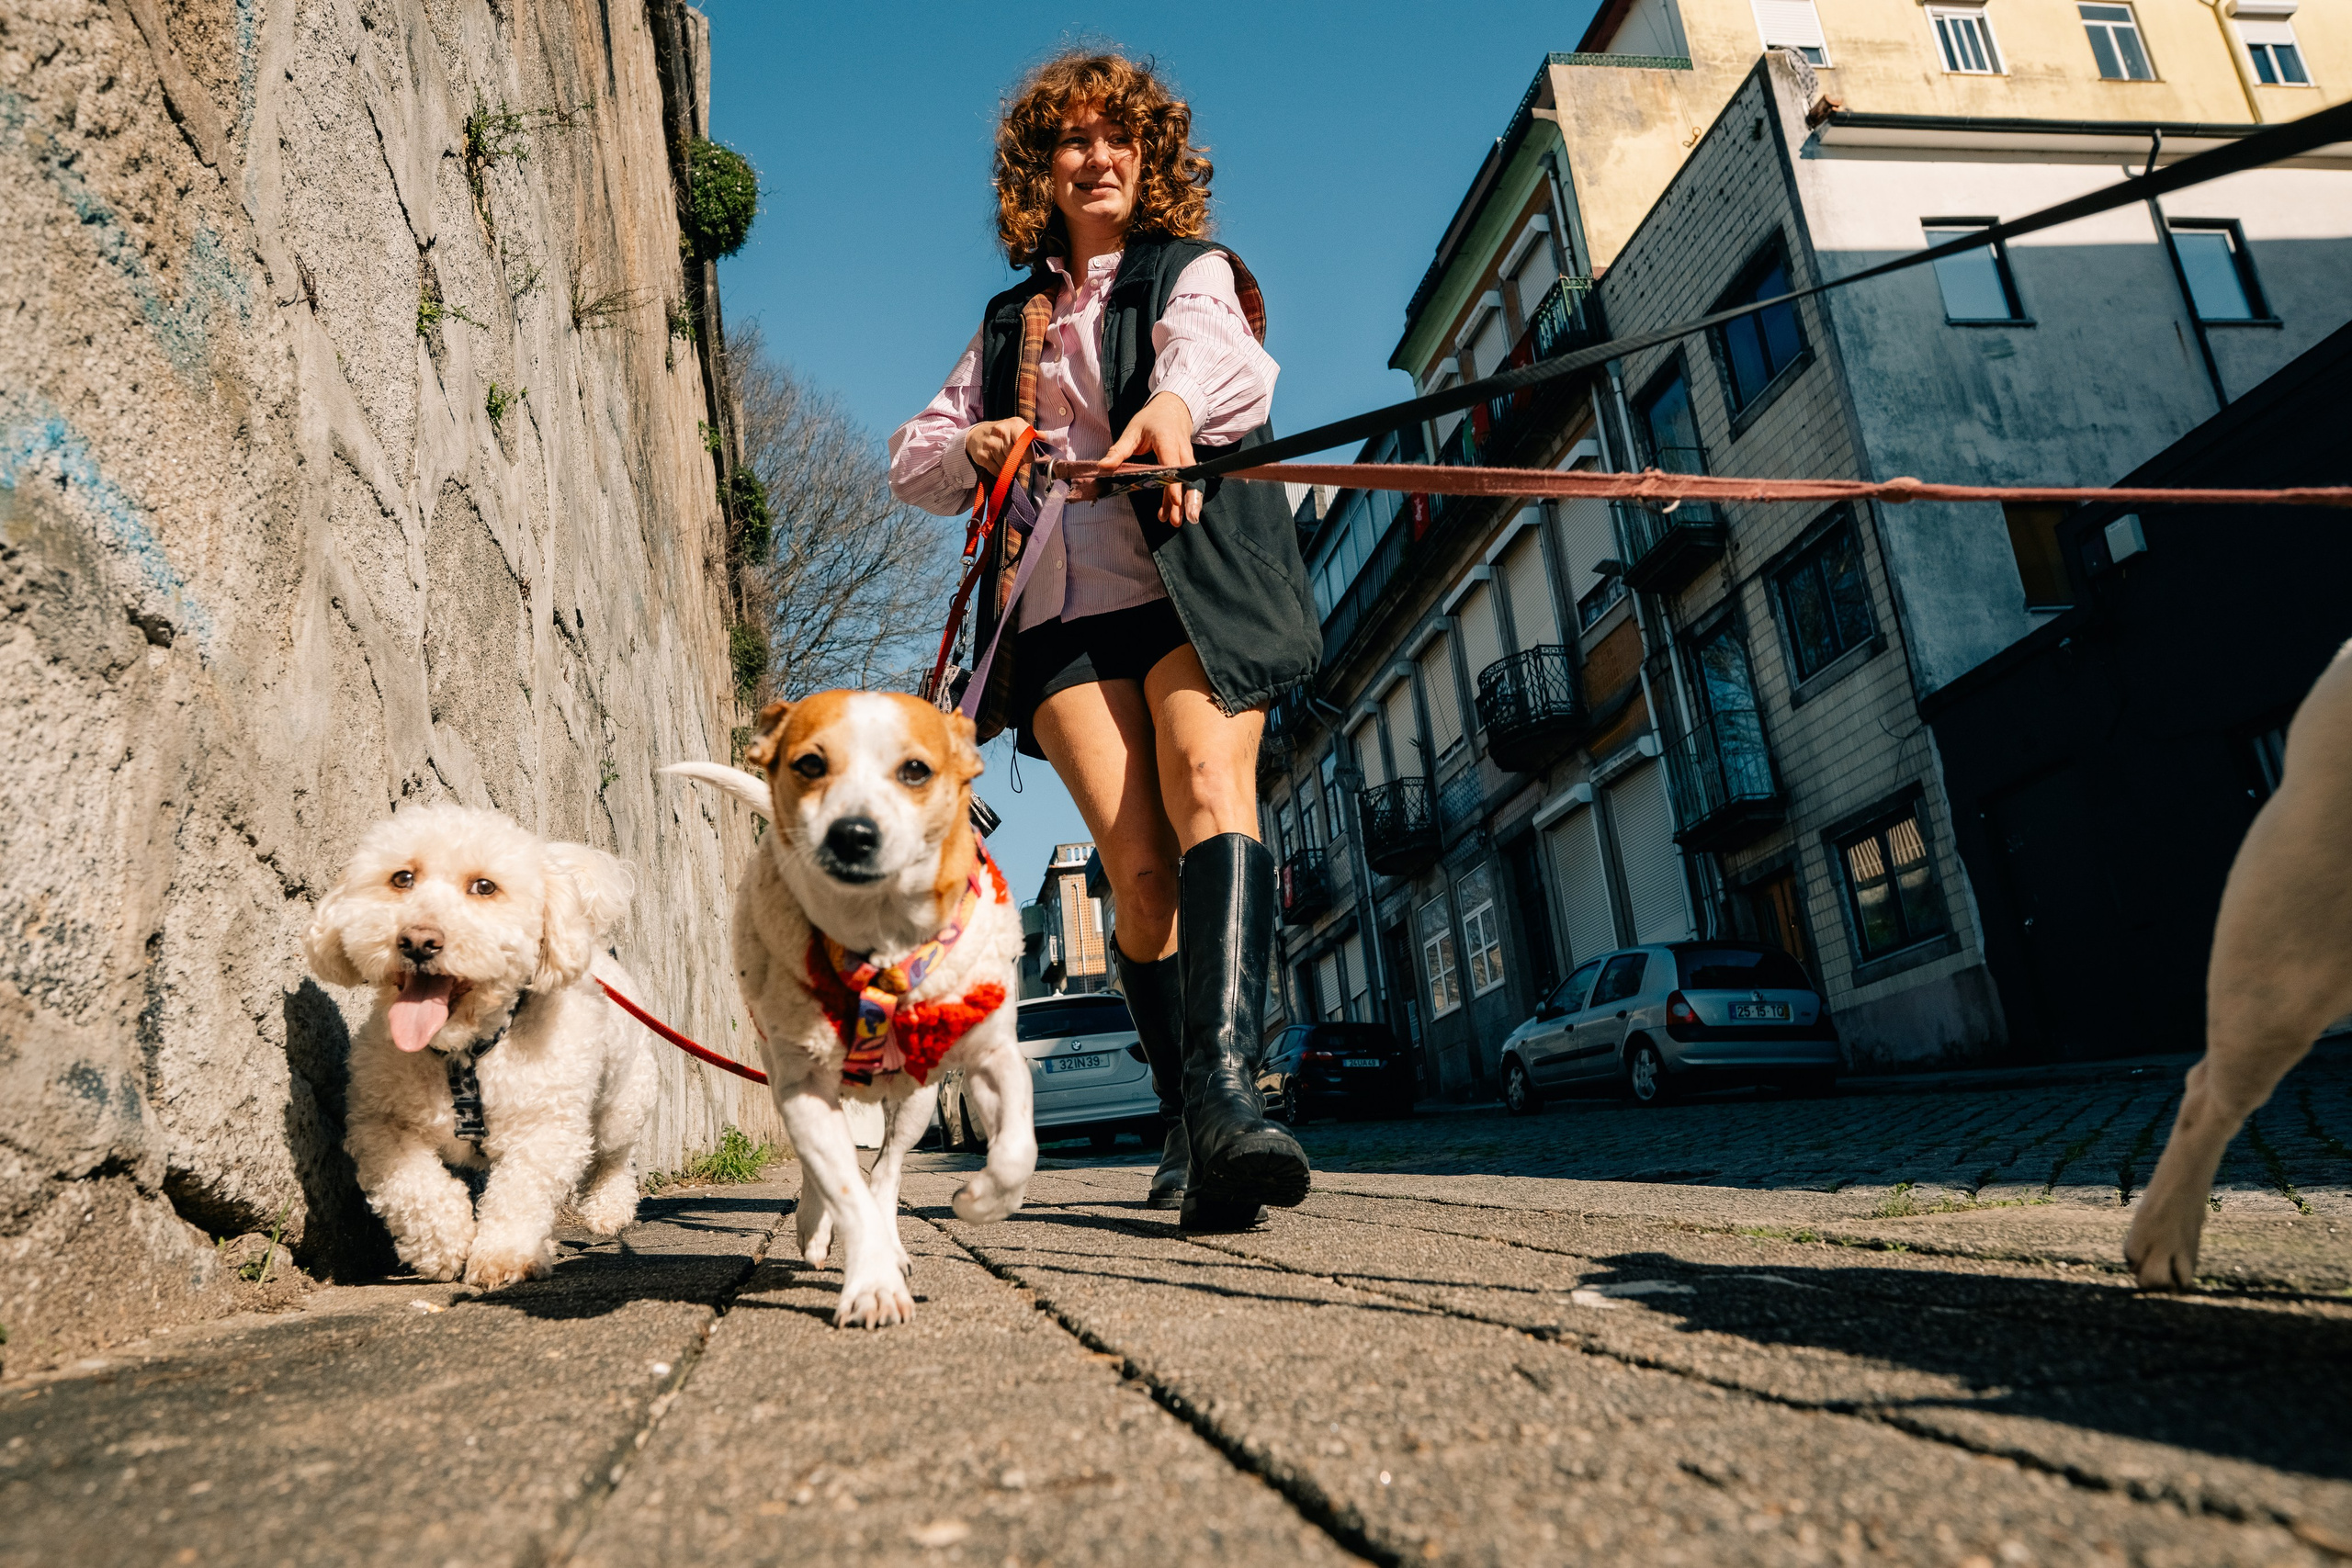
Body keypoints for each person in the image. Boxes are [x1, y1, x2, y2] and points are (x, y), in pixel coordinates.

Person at [888, 51, 1318, 1230]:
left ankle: (1232, 1098)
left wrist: (1171, 413)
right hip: (1063, 610)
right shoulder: (1008, 323)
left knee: (1206, 787)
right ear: (1041, 173)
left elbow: (1217, 364)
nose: (1097, 157)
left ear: (1150, 157)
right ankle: (1185, 1104)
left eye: (1117, 137)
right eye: (1071, 141)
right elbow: (912, 460)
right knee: (1134, 875)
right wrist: (975, 449)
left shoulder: (1194, 274)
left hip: (1196, 588)